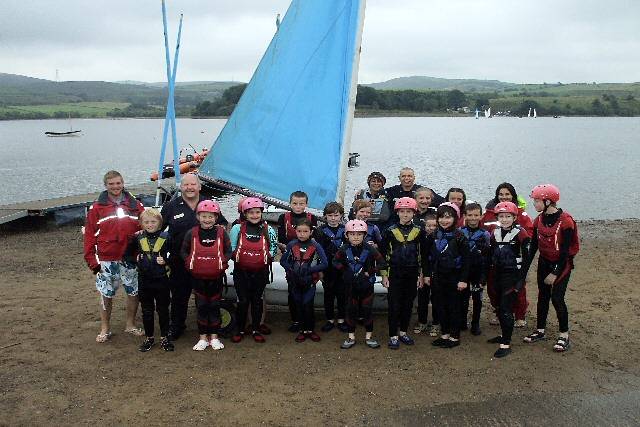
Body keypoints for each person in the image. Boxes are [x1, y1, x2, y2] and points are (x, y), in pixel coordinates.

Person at [161, 173, 229, 341]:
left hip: (209, 262)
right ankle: (177, 326)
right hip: (180, 260)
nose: (189, 188)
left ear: (199, 186)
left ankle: (212, 328)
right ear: (181, 187)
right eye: (186, 185)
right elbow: (158, 229)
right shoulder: (171, 206)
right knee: (179, 296)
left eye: (193, 184)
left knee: (209, 298)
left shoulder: (209, 203)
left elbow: (223, 224)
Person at [83, 170, 145, 343]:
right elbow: (89, 236)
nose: (115, 187)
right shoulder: (96, 208)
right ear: (106, 186)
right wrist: (92, 262)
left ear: (123, 183)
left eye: (118, 183)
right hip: (106, 259)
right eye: (111, 184)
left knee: (133, 292)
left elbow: (146, 227)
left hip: (130, 258)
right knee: (106, 294)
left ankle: (130, 325)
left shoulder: (135, 205)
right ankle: (105, 328)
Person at [523, 184, 579, 353]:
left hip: (562, 263)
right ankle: (540, 330)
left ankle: (564, 335)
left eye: (537, 201)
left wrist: (555, 273)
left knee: (557, 298)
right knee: (543, 296)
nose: (534, 204)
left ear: (548, 201)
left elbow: (565, 252)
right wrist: (523, 271)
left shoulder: (566, 221)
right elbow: (533, 248)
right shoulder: (538, 220)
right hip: (544, 261)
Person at [181, 200, 231, 351]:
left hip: (216, 277)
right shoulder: (192, 233)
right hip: (198, 278)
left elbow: (229, 251)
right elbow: (183, 251)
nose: (207, 219)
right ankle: (202, 337)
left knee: (214, 306)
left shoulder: (222, 233)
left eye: (210, 216)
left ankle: (214, 337)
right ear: (198, 216)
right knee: (201, 306)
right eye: (204, 216)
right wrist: (190, 262)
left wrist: (222, 261)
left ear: (216, 218)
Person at [481, 182, 533, 328]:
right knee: (494, 289)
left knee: (518, 290)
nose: (504, 197)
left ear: (513, 196)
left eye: (507, 194)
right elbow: (483, 232)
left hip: (513, 261)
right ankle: (499, 312)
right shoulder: (489, 213)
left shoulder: (521, 215)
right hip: (496, 261)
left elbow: (528, 237)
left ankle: (520, 314)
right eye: (501, 195)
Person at [124, 208, 174, 352]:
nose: (150, 225)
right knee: (147, 311)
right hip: (144, 280)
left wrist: (166, 260)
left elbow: (175, 255)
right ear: (141, 224)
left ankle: (165, 337)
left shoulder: (167, 237)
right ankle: (149, 338)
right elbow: (126, 255)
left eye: (153, 222)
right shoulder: (138, 238)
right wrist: (135, 259)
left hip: (162, 280)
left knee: (163, 309)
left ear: (159, 223)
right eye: (146, 222)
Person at [380, 197, 426, 350]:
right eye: (402, 212)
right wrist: (384, 275)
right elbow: (383, 254)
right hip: (395, 272)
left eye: (408, 212)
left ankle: (403, 332)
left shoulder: (419, 231)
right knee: (394, 305)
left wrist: (421, 275)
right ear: (397, 213)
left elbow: (422, 255)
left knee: (407, 304)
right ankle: (393, 335)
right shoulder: (389, 231)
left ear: (414, 213)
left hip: (412, 273)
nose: (405, 215)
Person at [229, 197, 278, 344]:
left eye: (257, 212)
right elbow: (231, 248)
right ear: (244, 213)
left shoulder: (267, 229)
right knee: (242, 301)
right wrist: (244, 259)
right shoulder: (237, 228)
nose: (254, 215)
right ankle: (240, 330)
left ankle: (256, 329)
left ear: (261, 213)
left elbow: (273, 248)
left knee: (257, 301)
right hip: (241, 272)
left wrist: (262, 259)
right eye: (250, 212)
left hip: (260, 272)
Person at [487, 202, 532, 358]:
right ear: (497, 217)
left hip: (512, 275)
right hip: (497, 274)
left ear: (514, 217)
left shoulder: (522, 234)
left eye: (508, 216)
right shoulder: (494, 233)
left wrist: (521, 280)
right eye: (501, 216)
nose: (504, 219)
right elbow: (490, 254)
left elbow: (527, 260)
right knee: (499, 306)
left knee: (507, 309)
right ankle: (503, 333)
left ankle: (506, 343)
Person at [333, 220, 387, 349]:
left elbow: (382, 263)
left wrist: (370, 272)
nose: (356, 237)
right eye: (352, 234)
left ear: (364, 235)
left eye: (359, 234)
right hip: (350, 287)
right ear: (347, 235)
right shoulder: (344, 248)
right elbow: (334, 261)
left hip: (366, 286)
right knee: (351, 311)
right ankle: (351, 337)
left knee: (367, 311)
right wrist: (344, 270)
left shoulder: (370, 249)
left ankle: (369, 337)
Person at [424, 202, 470, 349]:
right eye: (441, 217)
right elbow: (426, 257)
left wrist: (463, 279)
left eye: (448, 217)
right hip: (438, 275)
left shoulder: (460, 236)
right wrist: (426, 275)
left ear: (455, 218)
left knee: (453, 307)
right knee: (439, 305)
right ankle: (444, 333)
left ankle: (454, 336)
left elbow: (467, 260)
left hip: (454, 276)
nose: (444, 220)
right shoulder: (433, 235)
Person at [277, 191, 319, 332]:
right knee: (293, 290)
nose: (298, 206)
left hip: (307, 260)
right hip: (291, 260)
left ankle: (307, 321)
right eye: (295, 203)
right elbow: (282, 239)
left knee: (307, 288)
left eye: (301, 203)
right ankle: (295, 320)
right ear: (290, 203)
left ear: (306, 204)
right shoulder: (283, 217)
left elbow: (313, 240)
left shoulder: (311, 218)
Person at [280, 219, 328, 342]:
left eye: (305, 231)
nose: (302, 234)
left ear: (311, 232)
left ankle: (310, 330)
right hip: (295, 281)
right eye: (299, 231)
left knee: (308, 306)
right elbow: (283, 261)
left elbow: (325, 264)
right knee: (299, 306)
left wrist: (310, 271)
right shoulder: (291, 245)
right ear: (295, 231)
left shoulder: (315, 246)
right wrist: (291, 269)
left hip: (309, 282)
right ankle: (302, 330)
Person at [314, 202, 348, 333]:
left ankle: (341, 319)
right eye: (330, 215)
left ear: (341, 216)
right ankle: (329, 320)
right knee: (328, 295)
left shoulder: (346, 230)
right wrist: (320, 270)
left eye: (336, 215)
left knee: (342, 295)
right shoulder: (320, 231)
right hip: (327, 268)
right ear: (325, 216)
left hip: (342, 268)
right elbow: (317, 251)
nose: (333, 218)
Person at [459, 202, 491, 336]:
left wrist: (484, 275)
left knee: (477, 298)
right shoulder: (460, 232)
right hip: (464, 271)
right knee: (463, 298)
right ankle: (462, 321)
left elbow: (488, 256)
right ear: (464, 216)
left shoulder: (485, 234)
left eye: (476, 215)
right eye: (470, 215)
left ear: (481, 216)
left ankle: (475, 323)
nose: (473, 218)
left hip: (478, 271)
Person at [414, 211, 440, 336]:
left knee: (436, 299)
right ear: (424, 226)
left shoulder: (440, 238)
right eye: (429, 226)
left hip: (438, 272)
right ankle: (422, 321)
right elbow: (422, 257)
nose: (432, 228)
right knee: (422, 299)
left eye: (434, 226)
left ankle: (436, 323)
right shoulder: (421, 238)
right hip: (424, 271)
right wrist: (423, 274)